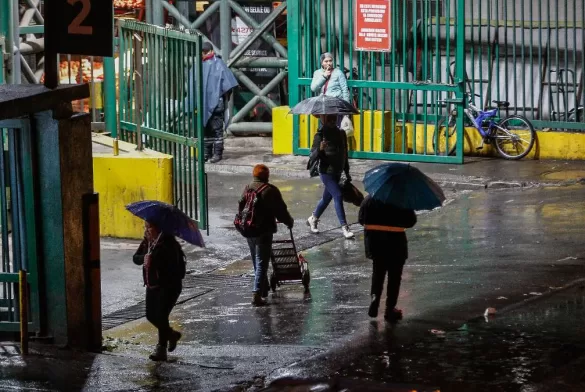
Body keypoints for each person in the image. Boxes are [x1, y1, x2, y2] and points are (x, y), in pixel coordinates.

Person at [241, 164, 294, 306]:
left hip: (248, 230)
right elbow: (281, 211)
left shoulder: (247, 188)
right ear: (267, 176)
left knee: (256, 260)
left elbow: (241, 208)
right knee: (261, 262)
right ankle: (257, 293)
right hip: (263, 231)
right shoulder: (270, 191)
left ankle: (263, 289)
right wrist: (289, 222)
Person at [358, 195, 417, 322]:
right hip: (396, 244)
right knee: (395, 277)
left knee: (378, 273)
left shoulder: (369, 200)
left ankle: (375, 297)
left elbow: (361, 219)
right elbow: (411, 221)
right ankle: (390, 309)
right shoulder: (401, 200)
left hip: (375, 244)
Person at [133, 221, 187, 361]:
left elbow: (174, 269)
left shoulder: (169, 244)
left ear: (159, 227)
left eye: (150, 226)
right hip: (152, 284)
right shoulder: (148, 242)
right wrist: (144, 258)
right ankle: (172, 335)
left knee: (162, 316)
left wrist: (155, 259)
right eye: (145, 226)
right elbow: (136, 258)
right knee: (151, 315)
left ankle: (161, 350)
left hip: (169, 286)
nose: (147, 230)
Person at [186, 42, 238, 163]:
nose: (203, 55)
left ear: (207, 52)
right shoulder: (217, 64)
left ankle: (216, 153)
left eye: (204, 52)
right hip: (214, 102)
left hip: (212, 104)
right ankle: (208, 153)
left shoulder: (202, 65)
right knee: (207, 129)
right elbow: (228, 85)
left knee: (214, 129)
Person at [306, 114, 354, 239]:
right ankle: (345, 227)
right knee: (337, 195)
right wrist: (320, 149)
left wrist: (347, 171)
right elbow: (312, 157)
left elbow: (345, 153)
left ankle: (313, 218)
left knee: (326, 198)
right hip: (326, 172)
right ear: (323, 120)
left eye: (334, 118)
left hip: (338, 171)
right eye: (329, 119)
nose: (332, 121)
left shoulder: (341, 133)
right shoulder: (320, 135)